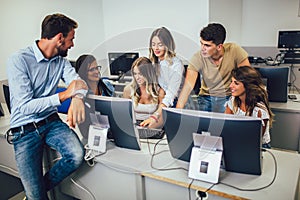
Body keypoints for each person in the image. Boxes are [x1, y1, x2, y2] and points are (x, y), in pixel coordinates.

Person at [6, 13, 87, 199]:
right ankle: (35, 194)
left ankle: (35, 192)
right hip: (24, 131)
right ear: (59, 38)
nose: (73, 44)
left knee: (75, 155)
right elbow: (25, 106)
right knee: (36, 196)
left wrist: (77, 99)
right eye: (71, 39)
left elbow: (79, 83)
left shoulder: (61, 61)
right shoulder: (18, 60)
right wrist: (66, 94)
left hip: (51, 122)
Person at [176, 23, 251, 113]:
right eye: (201, 43)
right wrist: (177, 112)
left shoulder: (234, 50)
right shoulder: (197, 57)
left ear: (219, 46)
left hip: (229, 97)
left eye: (207, 45)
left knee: (225, 124)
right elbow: (187, 87)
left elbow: (247, 78)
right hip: (206, 97)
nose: (202, 48)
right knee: (200, 122)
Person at [141, 27, 184, 127]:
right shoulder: (156, 62)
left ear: (167, 45)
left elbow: (170, 95)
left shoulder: (176, 65)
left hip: (176, 104)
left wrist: (155, 116)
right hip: (163, 104)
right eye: (153, 44)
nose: (156, 48)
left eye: (160, 45)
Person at [225, 66, 274, 148]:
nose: (230, 86)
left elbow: (255, 139)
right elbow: (226, 125)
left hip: (259, 146)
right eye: (231, 82)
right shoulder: (232, 101)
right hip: (239, 142)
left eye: (236, 83)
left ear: (248, 86)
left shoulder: (260, 110)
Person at [123, 57, 165, 130]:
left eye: (140, 74)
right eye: (135, 74)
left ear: (148, 74)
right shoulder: (128, 90)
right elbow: (125, 115)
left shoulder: (159, 91)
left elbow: (163, 117)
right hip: (134, 127)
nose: (137, 77)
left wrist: (150, 127)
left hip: (153, 126)